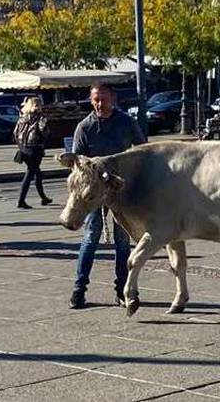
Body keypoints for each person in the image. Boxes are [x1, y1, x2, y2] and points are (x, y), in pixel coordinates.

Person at [69, 83, 146, 309]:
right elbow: (78, 163)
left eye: (103, 99)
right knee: (90, 238)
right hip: (93, 193)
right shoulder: (85, 127)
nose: (99, 103)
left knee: (123, 243)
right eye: (95, 99)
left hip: (119, 190)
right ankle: (79, 289)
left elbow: (142, 151)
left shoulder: (125, 122)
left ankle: (123, 289)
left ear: (113, 98)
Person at [14, 97, 52, 209]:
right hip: (35, 149)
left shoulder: (22, 117)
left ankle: (43, 197)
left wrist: (20, 145)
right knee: (30, 173)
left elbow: (15, 132)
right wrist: (45, 124)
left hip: (24, 148)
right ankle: (21, 200)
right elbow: (43, 131)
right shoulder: (39, 118)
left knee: (37, 173)